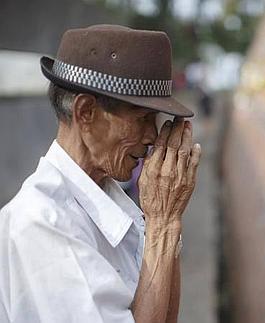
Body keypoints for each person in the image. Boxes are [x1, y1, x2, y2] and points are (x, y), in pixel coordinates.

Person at [0, 25, 201, 323]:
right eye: (142, 118)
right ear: (85, 113)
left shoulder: (109, 204)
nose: (152, 136)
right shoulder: (41, 223)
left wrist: (166, 225)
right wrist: (162, 223)